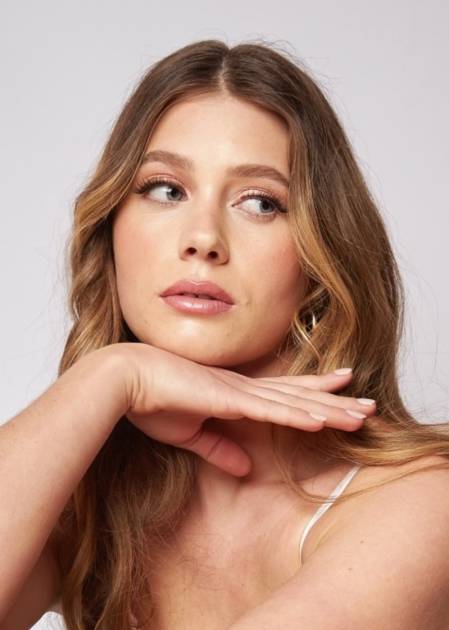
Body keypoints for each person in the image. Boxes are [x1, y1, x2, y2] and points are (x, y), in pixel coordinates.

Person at [1, 39, 449, 630]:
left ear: (321, 259)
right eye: (166, 190)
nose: (203, 239)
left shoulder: (420, 501)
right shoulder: (95, 506)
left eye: (260, 203)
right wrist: (108, 376)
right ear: (111, 228)